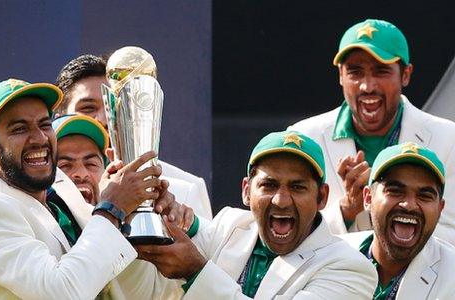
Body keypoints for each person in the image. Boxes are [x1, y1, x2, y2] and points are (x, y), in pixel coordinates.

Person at [0, 78, 180, 299]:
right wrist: (111, 210)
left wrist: (133, 214)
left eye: (44, 125)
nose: (39, 138)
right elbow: (62, 293)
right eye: (19, 129)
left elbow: (119, 288)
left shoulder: (59, 186)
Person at [136, 131, 378, 299]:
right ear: (246, 191)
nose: (281, 200)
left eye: (297, 187)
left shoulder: (350, 267)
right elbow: (145, 293)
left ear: (322, 197)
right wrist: (149, 220)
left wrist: (196, 272)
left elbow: (193, 267)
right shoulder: (230, 225)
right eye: (269, 185)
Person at [289, 19, 455, 243]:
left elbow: (451, 234)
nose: (367, 86)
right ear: (340, 75)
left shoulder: (448, 139)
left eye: (381, 71)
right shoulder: (304, 138)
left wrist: (392, 216)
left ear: (405, 74)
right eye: (355, 72)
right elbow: (286, 230)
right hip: (333, 277)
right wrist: (346, 210)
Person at [55, 54, 213, 219]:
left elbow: (202, 244)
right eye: (88, 108)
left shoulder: (186, 189)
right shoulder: (43, 190)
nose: (104, 119)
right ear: (59, 115)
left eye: (116, 105)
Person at [341, 142, 455, 298]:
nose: (409, 205)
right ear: (368, 198)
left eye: (425, 196)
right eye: (395, 191)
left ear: (440, 209)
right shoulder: (328, 258)